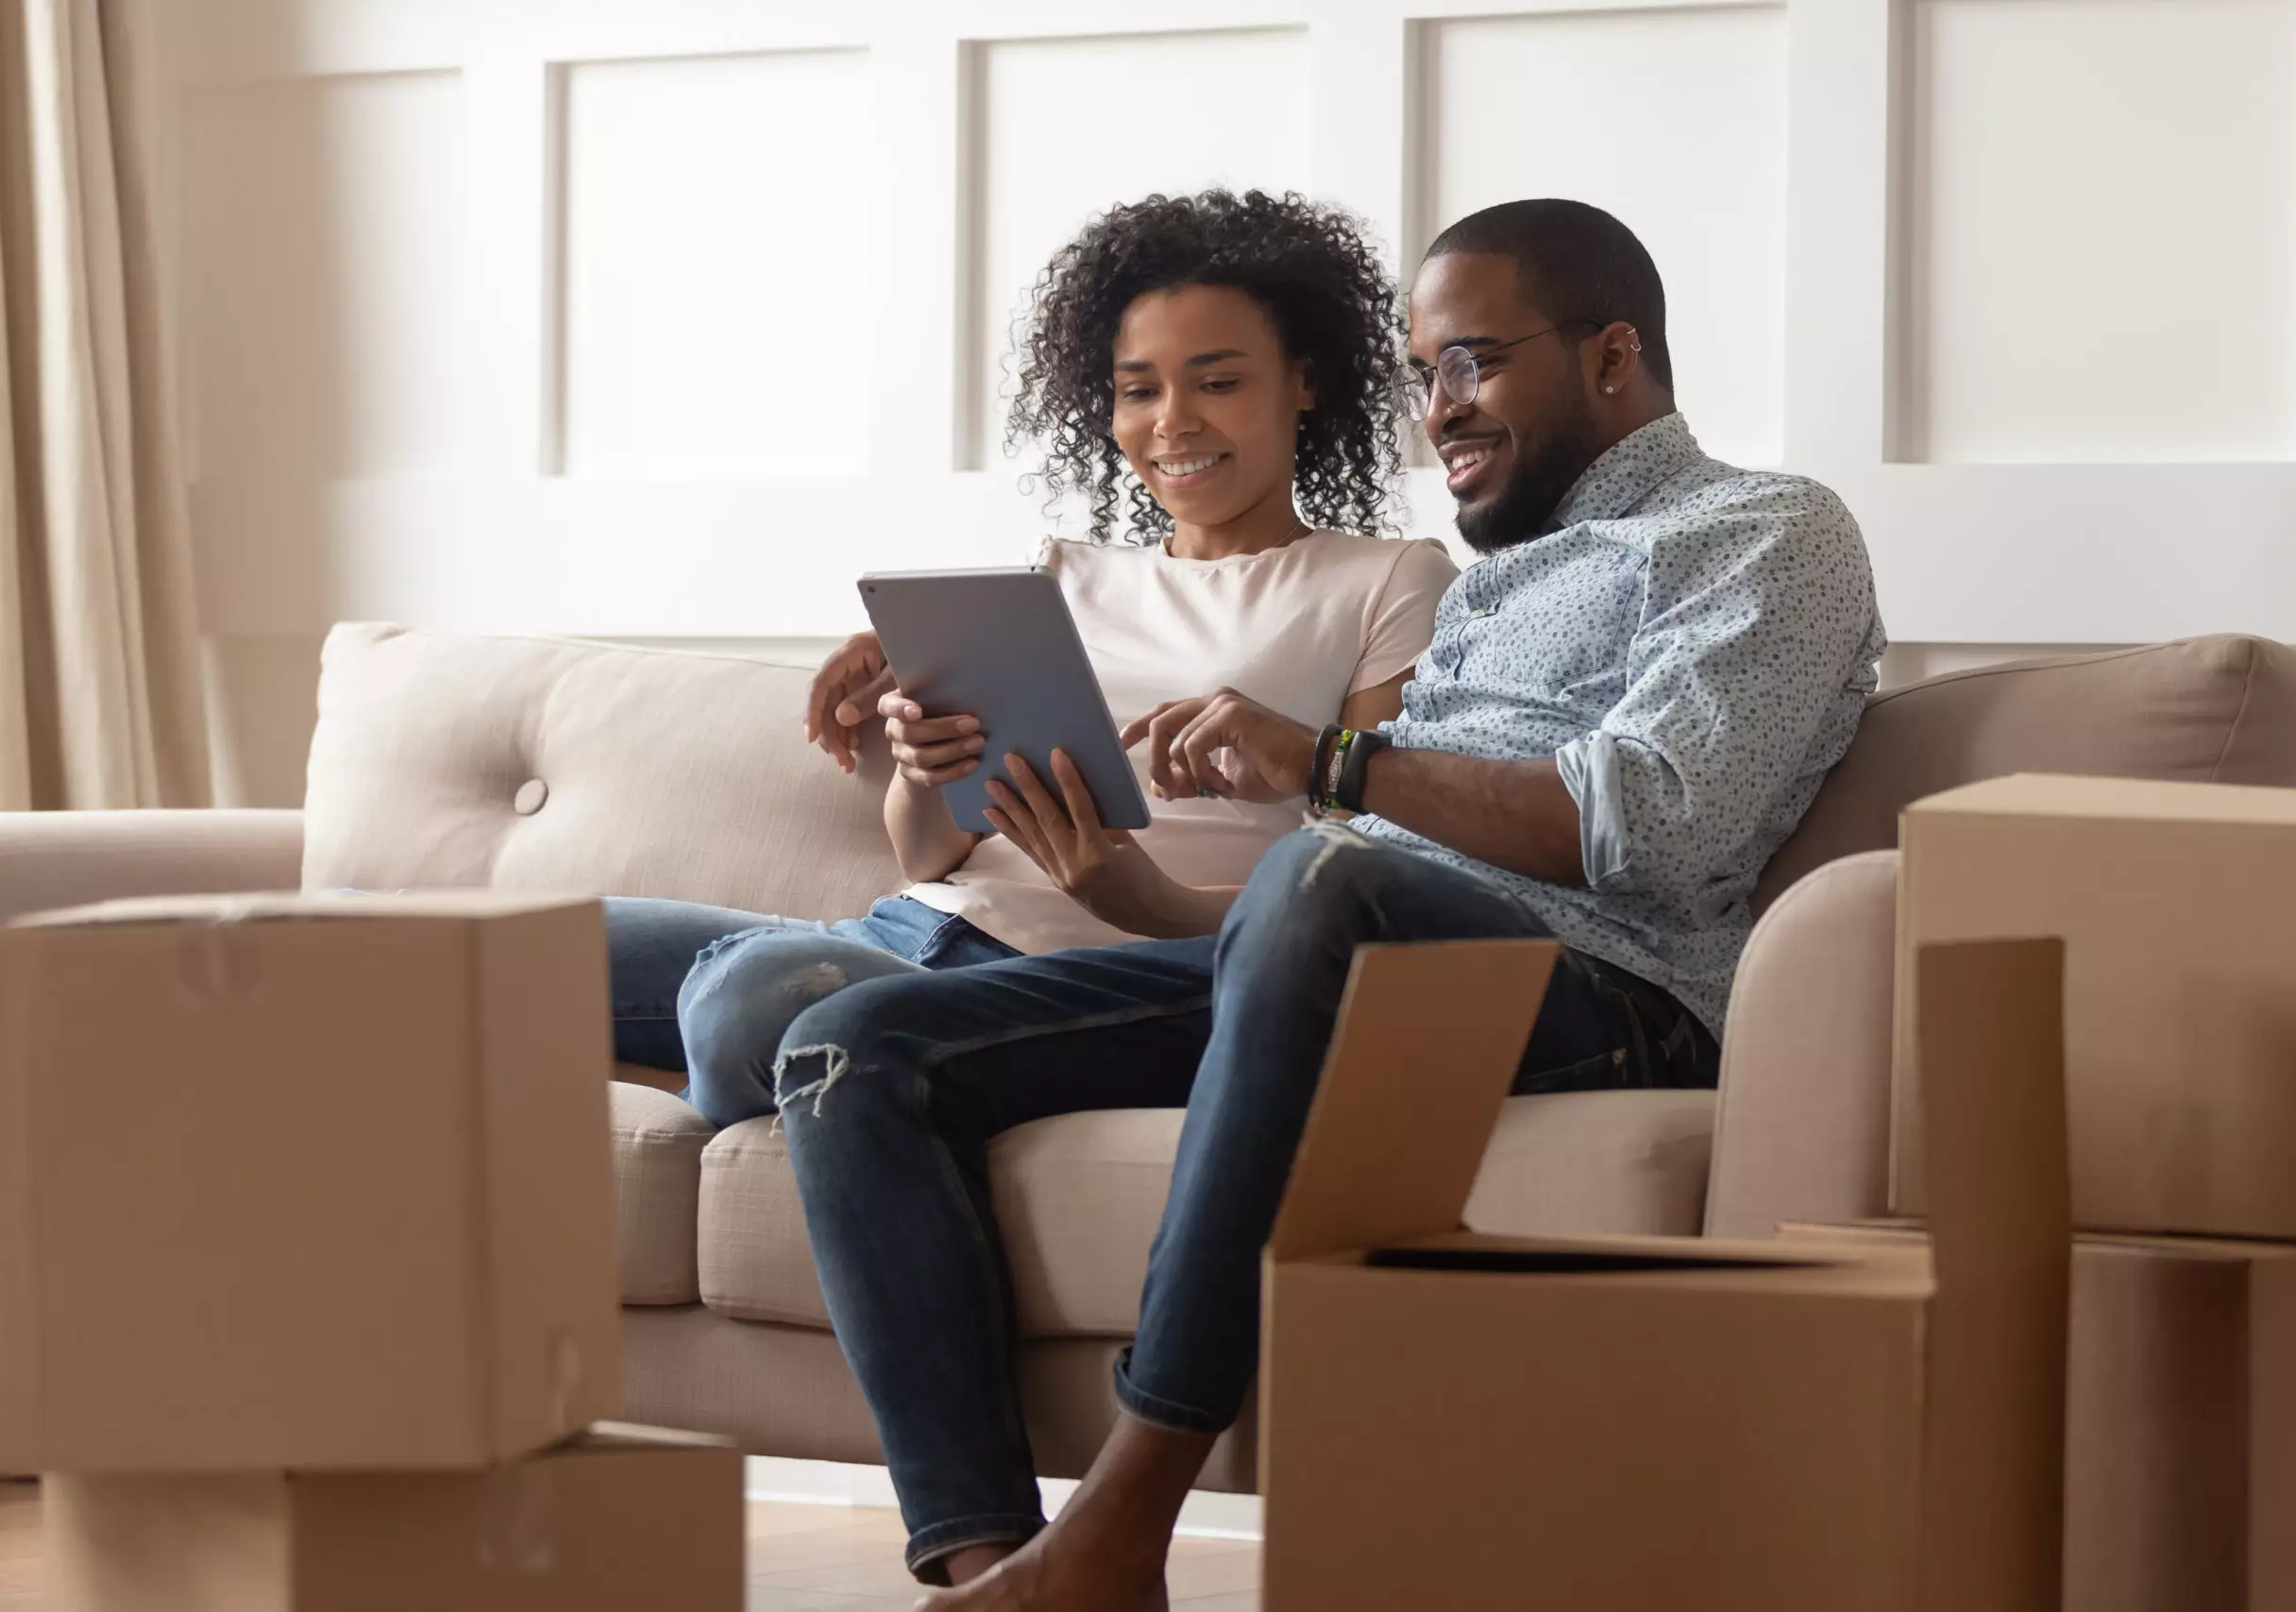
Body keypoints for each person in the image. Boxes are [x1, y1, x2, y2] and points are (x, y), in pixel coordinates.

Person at [787, 198, 1887, 1610]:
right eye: (1427, 371)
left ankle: (1123, 1518)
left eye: (1474, 363)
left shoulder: (1764, 529)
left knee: (1324, 860)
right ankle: (992, 1564)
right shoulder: (1502, 579)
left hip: (1601, 986)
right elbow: (1302, 933)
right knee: (851, 1048)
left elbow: (1659, 821)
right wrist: (1146, 890)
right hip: (1359, 947)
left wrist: (1329, 762)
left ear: (1613, 356)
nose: (1441, 411)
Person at [603, 188, 1457, 1135]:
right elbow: (931, 852)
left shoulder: (1387, 582)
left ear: (1304, 380)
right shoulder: (1062, 574)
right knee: (529, 945)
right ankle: (751, 1077)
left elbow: (1367, 887)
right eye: (1138, 389)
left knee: (747, 993)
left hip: (1056, 978)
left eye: (1217, 383)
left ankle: (715, 1079)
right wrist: (925, 769)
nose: (1171, 421)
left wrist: (1152, 900)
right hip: (904, 932)